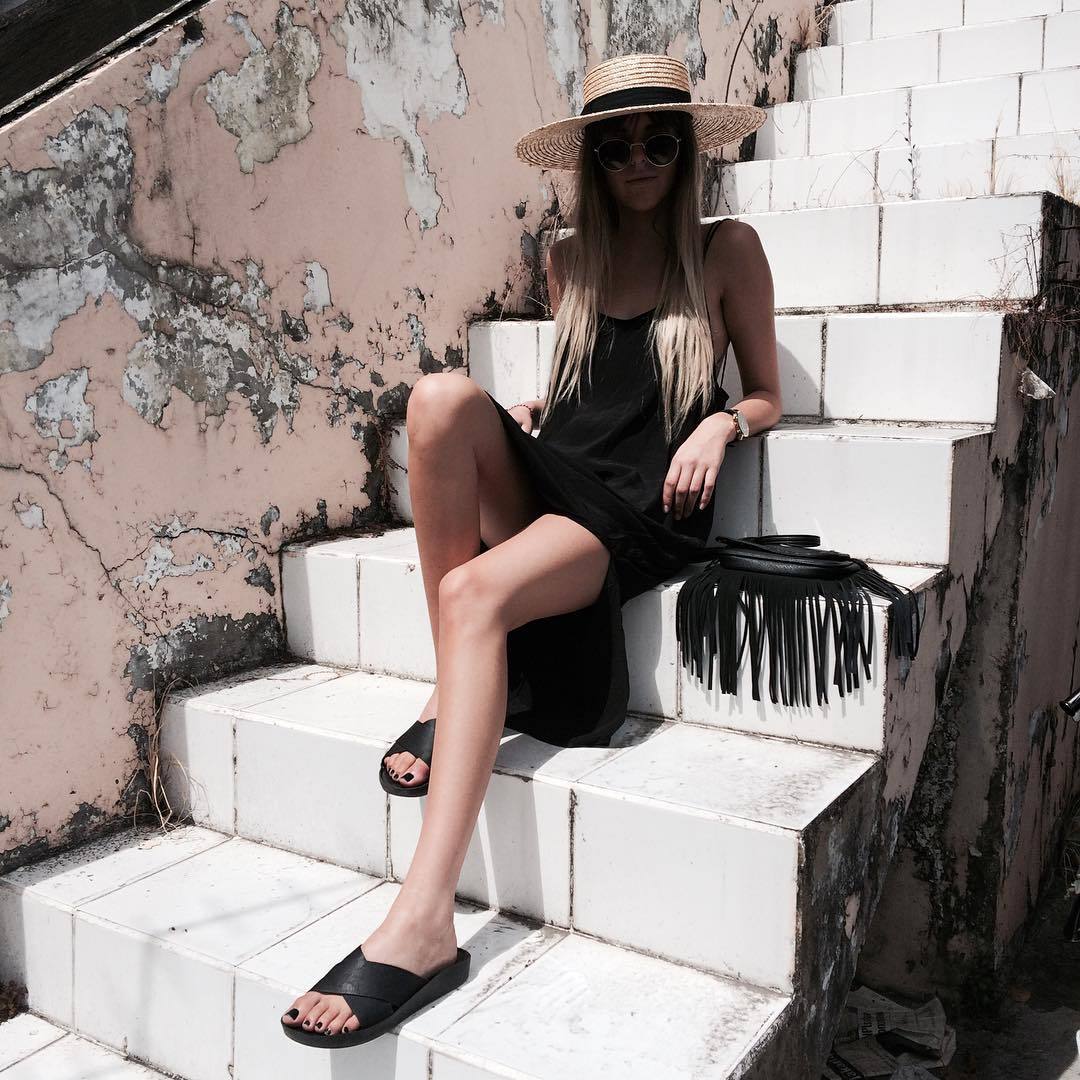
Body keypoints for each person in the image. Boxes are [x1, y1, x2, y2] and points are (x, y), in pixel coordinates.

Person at [281, 52, 778, 1049]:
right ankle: (452, 689)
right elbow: (599, 382)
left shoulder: (727, 249)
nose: (639, 160)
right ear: (592, 162)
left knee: (472, 593)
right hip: (569, 476)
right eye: (616, 147)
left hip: (637, 511)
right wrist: (541, 409)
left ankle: (424, 925)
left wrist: (720, 426)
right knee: (439, 400)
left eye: (659, 140)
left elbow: (767, 389)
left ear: (687, 149)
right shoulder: (568, 261)